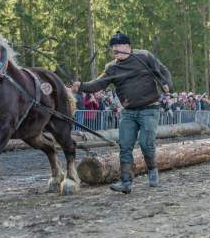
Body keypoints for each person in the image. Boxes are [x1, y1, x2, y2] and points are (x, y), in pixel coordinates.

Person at [72, 32, 172, 194]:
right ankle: (126, 182)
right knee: (125, 146)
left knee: (146, 144)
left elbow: (161, 70)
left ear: (128, 46)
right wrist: (81, 85)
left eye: (118, 46)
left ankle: (152, 169)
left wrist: (166, 84)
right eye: (113, 47)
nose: (115, 49)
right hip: (128, 112)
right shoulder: (112, 68)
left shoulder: (144, 56)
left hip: (149, 109)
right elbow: (97, 84)